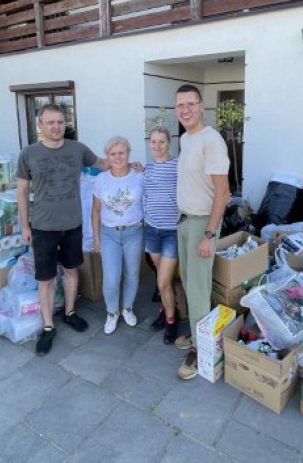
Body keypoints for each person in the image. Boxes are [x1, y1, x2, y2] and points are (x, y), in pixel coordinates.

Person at [16, 104, 137, 355]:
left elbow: (104, 163)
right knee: (46, 279)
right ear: (41, 126)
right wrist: (24, 225)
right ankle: (48, 326)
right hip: (43, 226)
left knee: (71, 271)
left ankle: (70, 312)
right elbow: (22, 192)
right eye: (50, 122)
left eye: (60, 122)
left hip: (72, 225)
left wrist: (128, 163)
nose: (56, 126)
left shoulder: (77, 149)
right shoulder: (29, 154)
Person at [173, 84, 231, 380]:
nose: (185, 110)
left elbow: (223, 192)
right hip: (184, 220)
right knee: (188, 282)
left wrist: (209, 235)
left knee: (197, 289)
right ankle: (197, 333)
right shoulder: (185, 139)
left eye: (190, 104)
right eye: (180, 105)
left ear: (202, 106)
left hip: (201, 224)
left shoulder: (212, 140)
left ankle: (199, 349)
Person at [91, 136, 145, 334]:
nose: (118, 157)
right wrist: (96, 237)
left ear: (128, 154)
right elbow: (95, 210)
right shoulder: (101, 179)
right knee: (112, 278)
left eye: (121, 153)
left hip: (134, 232)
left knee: (132, 273)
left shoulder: (139, 176)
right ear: (107, 156)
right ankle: (112, 312)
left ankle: (127, 308)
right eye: (113, 154)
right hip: (109, 235)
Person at [142, 126, 180, 344]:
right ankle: (166, 309)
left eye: (161, 142)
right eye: (153, 142)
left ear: (169, 143)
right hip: (151, 229)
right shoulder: (146, 168)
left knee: (163, 281)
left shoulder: (178, 166)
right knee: (161, 278)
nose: (157, 146)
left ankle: (171, 320)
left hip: (171, 232)